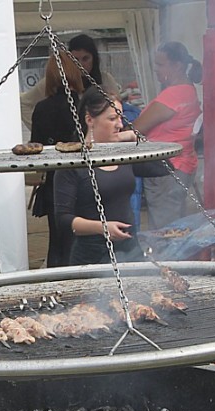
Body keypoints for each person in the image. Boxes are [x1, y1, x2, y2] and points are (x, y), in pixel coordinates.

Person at [54, 87, 162, 266]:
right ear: (90, 119)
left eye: (120, 117)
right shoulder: (72, 163)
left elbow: (163, 168)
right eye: (112, 119)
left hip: (130, 249)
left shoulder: (123, 155)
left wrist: (134, 139)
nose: (119, 124)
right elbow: (63, 219)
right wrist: (103, 228)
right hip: (92, 253)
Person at [132, 41, 202, 230]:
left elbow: (136, 128)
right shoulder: (188, 91)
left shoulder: (174, 95)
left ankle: (166, 259)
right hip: (181, 165)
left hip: (167, 169)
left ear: (177, 66)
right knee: (173, 225)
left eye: (160, 64)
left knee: (164, 231)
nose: (155, 69)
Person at [29, 50, 84, 267]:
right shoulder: (85, 105)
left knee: (58, 242)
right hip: (84, 181)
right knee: (81, 240)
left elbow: (36, 147)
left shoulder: (42, 109)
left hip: (55, 182)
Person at [20, 33, 120, 130]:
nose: (80, 64)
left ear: (94, 59)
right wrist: (40, 129)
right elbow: (23, 103)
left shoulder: (105, 79)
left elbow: (118, 108)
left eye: (86, 59)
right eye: (75, 59)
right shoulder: (55, 81)